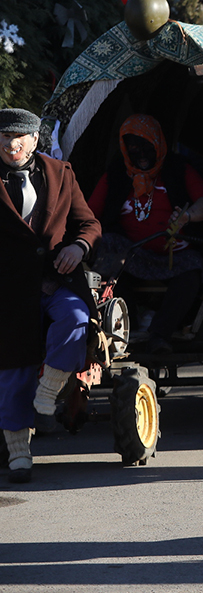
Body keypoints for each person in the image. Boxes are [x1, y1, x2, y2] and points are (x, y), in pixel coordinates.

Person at [0, 108, 101, 483]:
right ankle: (18, 453)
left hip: (58, 281)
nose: (10, 145)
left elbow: (88, 223)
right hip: (9, 291)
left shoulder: (61, 174)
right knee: (13, 370)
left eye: (18, 138)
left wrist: (79, 246)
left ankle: (48, 393)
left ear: (35, 139)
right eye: (3, 137)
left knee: (75, 320)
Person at [87, 114, 203, 355]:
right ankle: (125, 330)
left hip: (174, 254)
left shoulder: (179, 169)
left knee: (194, 269)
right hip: (131, 254)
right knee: (108, 252)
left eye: (148, 146)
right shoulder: (115, 174)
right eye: (133, 146)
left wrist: (187, 216)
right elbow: (90, 213)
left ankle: (160, 334)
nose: (141, 153)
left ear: (159, 143)